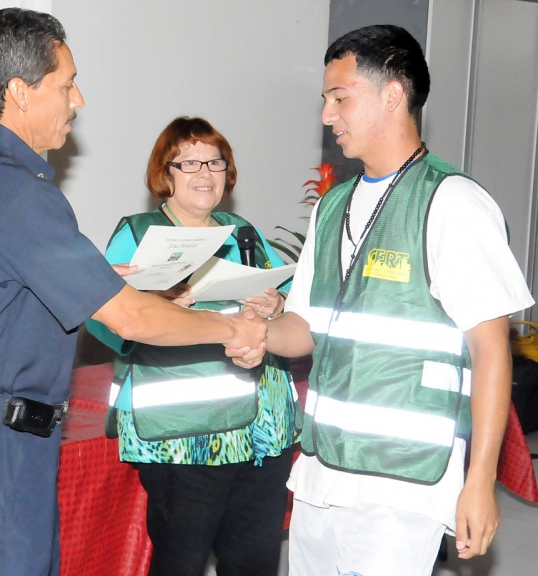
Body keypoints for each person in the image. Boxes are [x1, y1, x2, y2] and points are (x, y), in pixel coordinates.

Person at [0, 10, 265, 576]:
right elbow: (130, 322)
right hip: (1, 454)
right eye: (66, 83)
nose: (79, 99)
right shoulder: (19, 194)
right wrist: (234, 330)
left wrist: (104, 282)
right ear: (21, 92)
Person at [229, 24, 534, 576]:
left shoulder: (452, 202)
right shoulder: (332, 206)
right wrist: (261, 335)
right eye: (325, 99)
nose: (327, 115)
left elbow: (492, 351)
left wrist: (480, 481)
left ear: (393, 94)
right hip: (322, 473)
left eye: (340, 98)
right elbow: (307, 326)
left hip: (402, 483)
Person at [85, 116, 301, 576]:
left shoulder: (242, 230)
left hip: (263, 429)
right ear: (165, 175)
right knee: (181, 562)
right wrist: (160, 305)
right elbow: (102, 321)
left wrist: (275, 302)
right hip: (182, 435)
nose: (205, 173)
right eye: (188, 163)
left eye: (215, 162)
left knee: (255, 562)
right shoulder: (138, 233)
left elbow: (290, 307)